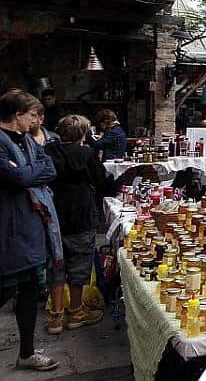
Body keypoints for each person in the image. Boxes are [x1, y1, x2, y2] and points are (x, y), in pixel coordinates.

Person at [0, 90, 60, 371]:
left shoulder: (26, 139)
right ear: (17, 115)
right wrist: (26, 174)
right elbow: (16, 177)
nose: (37, 120)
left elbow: (49, 168)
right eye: (33, 114)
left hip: (32, 228)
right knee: (4, 289)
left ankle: (26, 353)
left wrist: (26, 174)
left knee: (28, 291)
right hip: (7, 229)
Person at [45, 115, 106, 334]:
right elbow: (100, 179)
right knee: (79, 264)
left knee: (56, 263)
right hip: (81, 213)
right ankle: (76, 311)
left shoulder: (49, 152)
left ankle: (56, 316)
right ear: (83, 133)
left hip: (54, 213)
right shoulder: (86, 153)